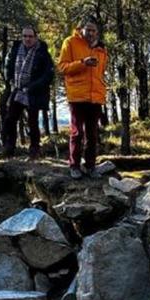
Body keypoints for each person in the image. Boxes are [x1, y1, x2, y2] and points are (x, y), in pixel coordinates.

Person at [57, 17, 108, 179]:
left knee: (92, 134)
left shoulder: (101, 50)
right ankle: (74, 165)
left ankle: (91, 166)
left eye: (94, 30)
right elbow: (62, 67)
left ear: (97, 32)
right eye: (88, 29)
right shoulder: (70, 42)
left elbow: (100, 73)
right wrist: (82, 63)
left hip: (95, 97)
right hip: (77, 95)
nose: (91, 33)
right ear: (82, 29)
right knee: (77, 132)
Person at [2, 26, 54, 160]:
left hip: (34, 92)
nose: (27, 39)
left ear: (35, 37)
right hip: (18, 89)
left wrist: (34, 86)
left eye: (30, 36)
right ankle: (9, 148)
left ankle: (34, 150)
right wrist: (10, 78)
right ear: (22, 37)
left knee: (33, 122)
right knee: (10, 119)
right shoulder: (15, 50)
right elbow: (8, 65)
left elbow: (48, 74)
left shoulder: (42, 52)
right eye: (25, 36)